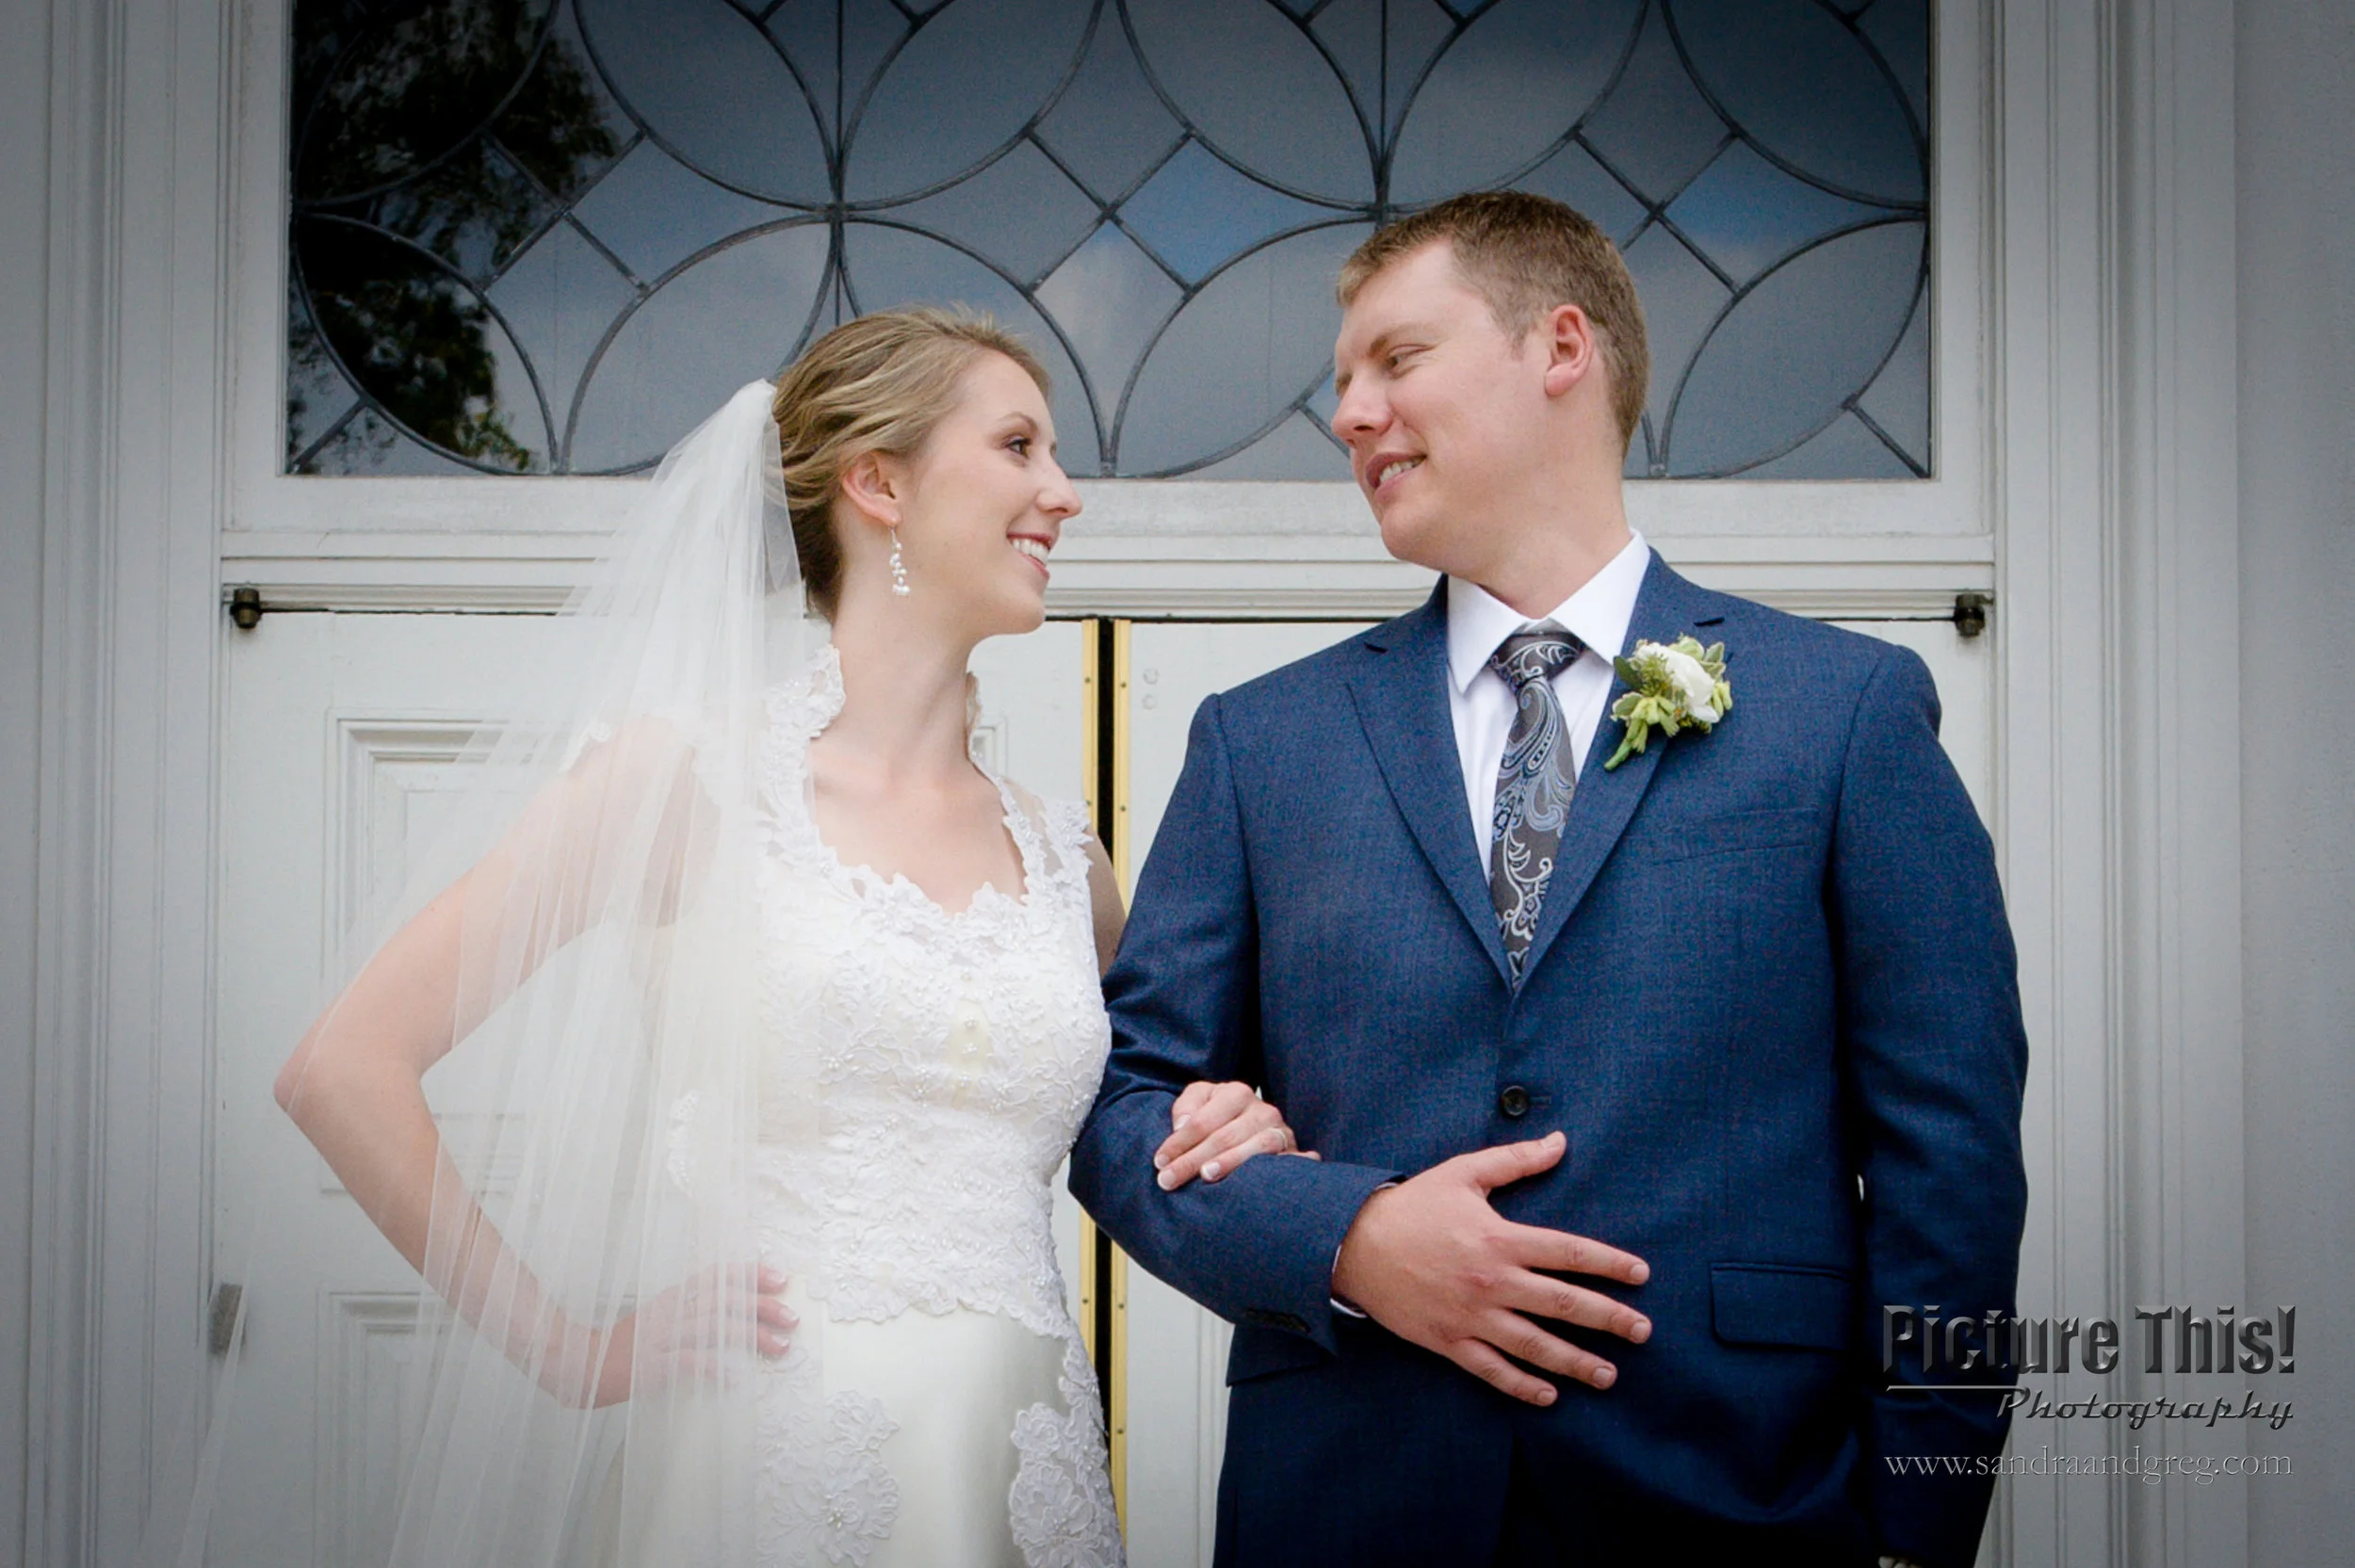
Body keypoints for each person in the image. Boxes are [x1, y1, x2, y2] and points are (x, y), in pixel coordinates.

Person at [1069, 191, 2029, 1566]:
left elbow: (1953, 1163)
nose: (1349, 414)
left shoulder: (1845, 713)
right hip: (1347, 1511)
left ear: (1560, 347)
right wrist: (1347, 1240)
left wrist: (1919, 1534)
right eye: (1341, 383)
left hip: (1744, 1503)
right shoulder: (1260, 741)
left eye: (1396, 361)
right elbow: (1120, 1109)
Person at [271, 308, 1297, 1567]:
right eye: (1019, 446)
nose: (1064, 494)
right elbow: (342, 1067)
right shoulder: (686, 786)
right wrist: (570, 1350)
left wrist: (1232, 1120)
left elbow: (1152, 1117)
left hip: (1024, 1472)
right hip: (766, 1471)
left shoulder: (1061, 858)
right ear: (879, 483)